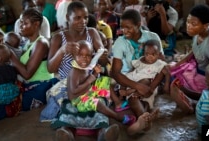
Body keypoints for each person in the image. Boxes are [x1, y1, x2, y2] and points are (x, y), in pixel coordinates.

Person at [40, 1, 119, 140]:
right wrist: (62, 51)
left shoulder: (92, 33)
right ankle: (66, 131)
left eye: (85, 17)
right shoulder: (59, 37)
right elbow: (50, 68)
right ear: (67, 17)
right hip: (67, 83)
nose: (83, 21)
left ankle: (102, 133)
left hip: (91, 81)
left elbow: (103, 61)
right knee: (68, 104)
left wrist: (103, 56)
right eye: (77, 18)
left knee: (98, 102)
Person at [111, 9, 161, 135]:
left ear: (138, 25)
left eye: (128, 27)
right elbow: (115, 73)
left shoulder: (152, 37)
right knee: (137, 95)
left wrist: (150, 85)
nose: (124, 31)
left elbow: (161, 65)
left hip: (149, 78)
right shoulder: (120, 42)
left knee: (140, 96)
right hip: (129, 78)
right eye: (122, 27)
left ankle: (142, 121)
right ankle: (145, 119)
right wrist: (137, 86)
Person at [67, 40, 136, 127]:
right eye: (80, 55)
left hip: (87, 91)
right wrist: (90, 79)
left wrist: (95, 73)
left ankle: (118, 103)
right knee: (98, 103)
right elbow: (74, 90)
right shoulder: (75, 72)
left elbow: (89, 78)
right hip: (78, 100)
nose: (84, 58)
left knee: (104, 80)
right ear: (73, 56)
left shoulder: (83, 65)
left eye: (88, 56)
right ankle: (119, 118)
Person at [169, 4, 209, 114]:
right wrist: (179, 63)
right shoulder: (199, 31)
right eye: (188, 22)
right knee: (172, 69)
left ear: (205, 25)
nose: (188, 26)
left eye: (193, 24)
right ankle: (191, 100)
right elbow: (194, 50)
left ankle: (198, 103)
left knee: (176, 83)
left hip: (207, 77)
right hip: (198, 67)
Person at [10, 8, 57, 111]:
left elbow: (27, 74)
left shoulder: (41, 43)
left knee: (9, 105)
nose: (20, 26)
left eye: (24, 23)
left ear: (36, 24)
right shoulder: (28, 43)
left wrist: (10, 55)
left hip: (41, 87)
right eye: (20, 23)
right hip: (30, 85)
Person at [116, 39, 170, 109]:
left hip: (146, 86)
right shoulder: (141, 59)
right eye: (147, 54)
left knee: (145, 81)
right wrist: (125, 77)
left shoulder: (160, 65)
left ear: (159, 54)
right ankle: (122, 96)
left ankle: (130, 92)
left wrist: (166, 85)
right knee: (124, 78)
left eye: (153, 54)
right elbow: (132, 69)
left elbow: (167, 73)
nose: (149, 57)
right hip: (133, 81)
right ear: (144, 53)